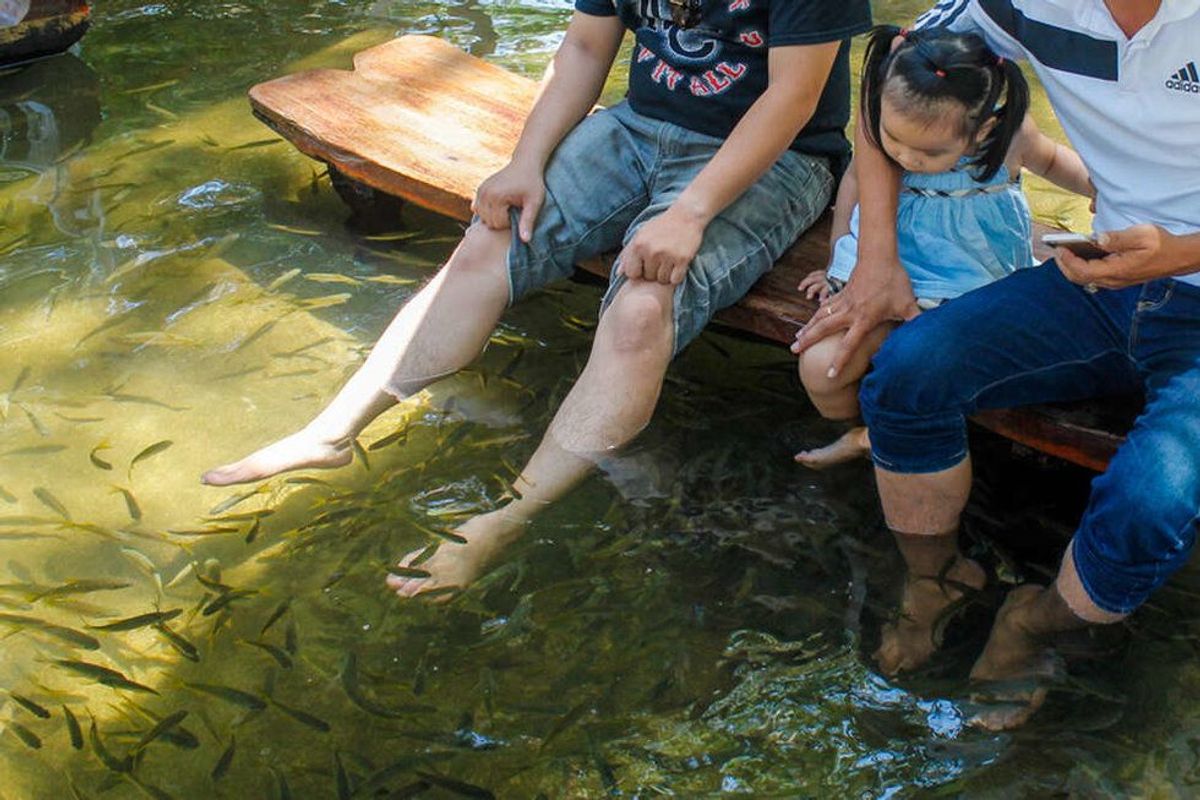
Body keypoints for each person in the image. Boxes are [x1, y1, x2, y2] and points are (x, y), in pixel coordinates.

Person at [202, 0, 872, 597]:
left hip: (779, 158)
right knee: (488, 239)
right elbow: (583, 48)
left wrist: (691, 213)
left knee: (642, 308)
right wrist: (524, 162)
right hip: (636, 127)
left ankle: (504, 518)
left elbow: (792, 98)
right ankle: (332, 432)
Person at [794, 0, 1200, 730]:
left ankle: (1035, 622)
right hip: (1098, 284)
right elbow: (887, 77)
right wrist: (876, 260)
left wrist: (1184, 252)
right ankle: (938, 576)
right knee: (910, 373)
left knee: (1151, 507)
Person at [791, 25, 1092, 470]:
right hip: (885, 279)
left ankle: (886, 435)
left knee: (943, 368)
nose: (906, 159)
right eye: (893, 140)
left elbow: (1053, 160)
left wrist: (1109, 191)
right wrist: (839, 260)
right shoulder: (889, 127)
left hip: (970, 284)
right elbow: (855, 183)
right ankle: (863, 431)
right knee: (820, 369)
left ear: (984, 126)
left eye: (927, 153)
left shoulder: (1008, 137)